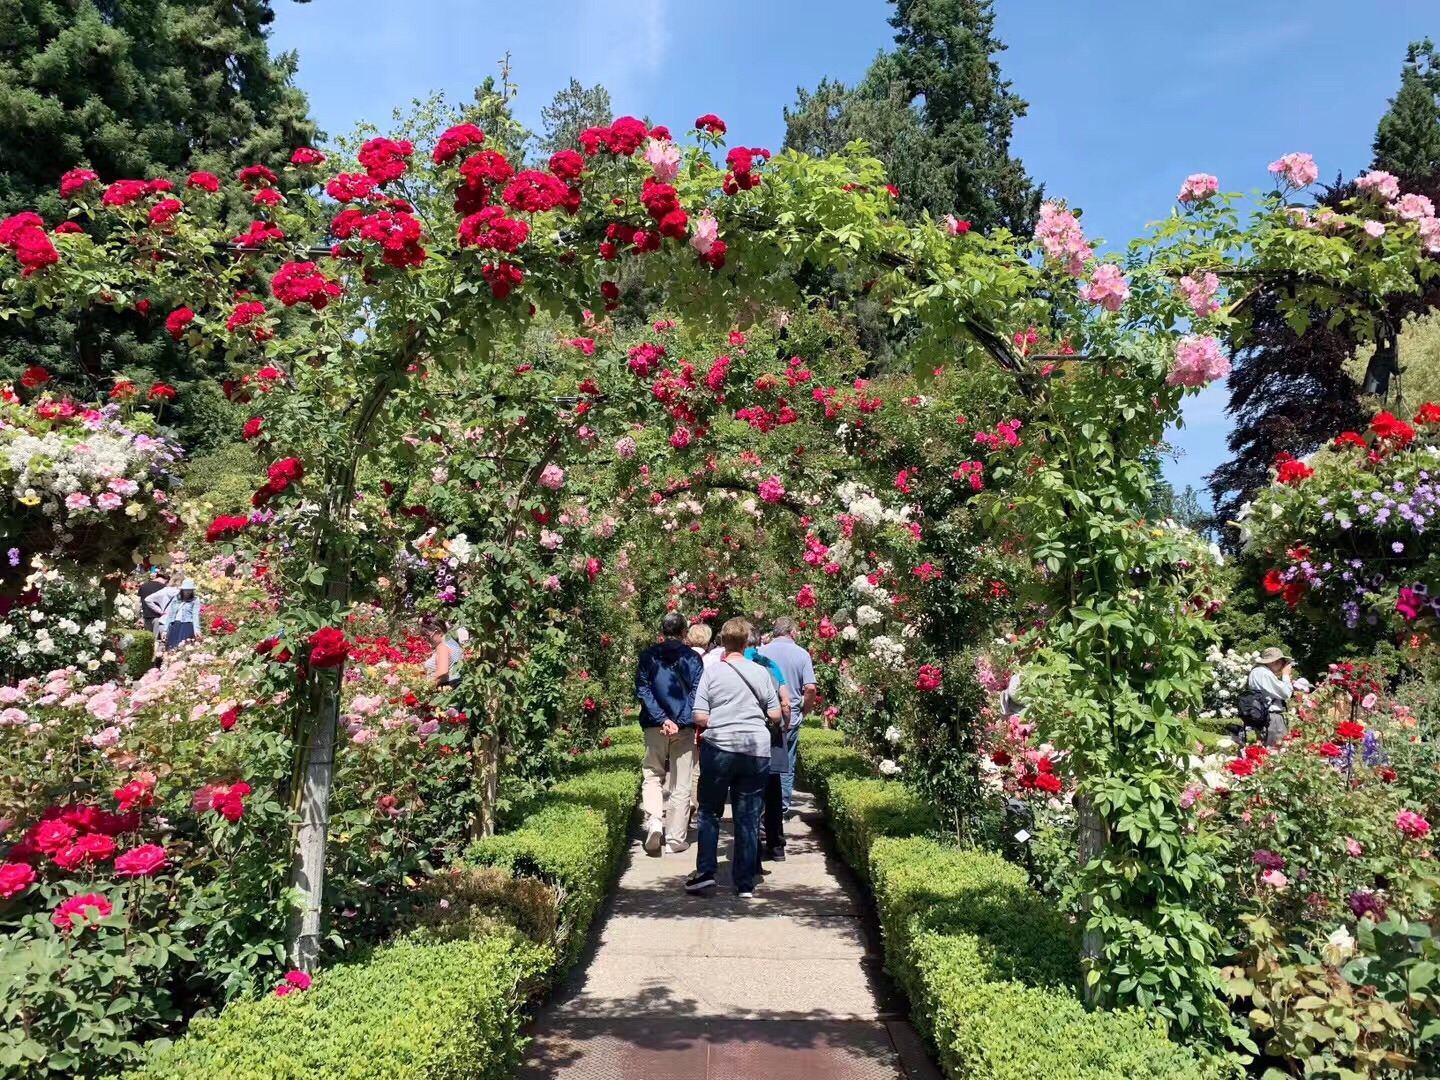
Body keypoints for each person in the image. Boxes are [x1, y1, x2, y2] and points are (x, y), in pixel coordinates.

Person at [686, 617, 780, 898]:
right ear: (747, 641)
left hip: (720, 747)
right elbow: (775, 714)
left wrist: (720, 718)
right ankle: (745, 882)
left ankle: (705, 873)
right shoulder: (762, 673)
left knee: (710, 812)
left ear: (724, 642)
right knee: (748, 816)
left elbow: (699, 715)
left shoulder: (712, 673)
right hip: (755, 750)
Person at [636, 611, 704, 856]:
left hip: (655, 726)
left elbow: (643, 690)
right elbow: (697, 694)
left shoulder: (648, 656)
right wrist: (679, 721)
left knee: (653, 774)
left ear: (662, 631)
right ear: (684, 632)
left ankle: (654, 820)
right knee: (681, 780)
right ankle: (676, 837)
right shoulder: (694, 659)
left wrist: (662, 719)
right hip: (683, 728)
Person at [759, 616, 817, 816]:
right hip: (789, 717)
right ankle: (781, 808)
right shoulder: (802, 654)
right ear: (792, 632)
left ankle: (763, 805)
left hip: (764, 716)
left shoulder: (761, 652)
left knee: (763, 760)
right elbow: (810, 687)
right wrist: (804, 710)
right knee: (786, 763)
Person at [746, 628, 791, 861]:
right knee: (773, 791)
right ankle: (776, 846)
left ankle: (750, 846)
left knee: (747, 792)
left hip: (744, 736)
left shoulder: (731, 663)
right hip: (770, 734)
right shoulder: (770, 664)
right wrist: (786, 725)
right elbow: (786, 702)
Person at [1243, 647, 1294, 747]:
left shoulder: (1256, 672)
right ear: (1276, 661)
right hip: (1272, 717)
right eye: (1282, 662)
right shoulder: (1264, 673)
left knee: (1265, 751)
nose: (1283, 666)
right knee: (1277, 750)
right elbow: (1286, 693)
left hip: (1263, 715)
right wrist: (1285, 675)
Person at [156, 578, 201, 651]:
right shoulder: (176, 599)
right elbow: (171, 615)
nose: (188, 592)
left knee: (183, 646)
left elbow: (195, 615)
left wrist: (197, 630)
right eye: (186, 590)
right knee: (172, 647)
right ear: (182, 590)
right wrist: (165, 630)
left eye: (190, 590)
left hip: (187, 625)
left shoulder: (195, 600)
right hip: (175, 624)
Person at [421, 615, 463, 688]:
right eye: (424, 636)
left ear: (439, 632)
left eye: (428, 636)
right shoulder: (451, 641)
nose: (426, 639)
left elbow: (443, 673)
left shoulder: (442, 647)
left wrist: (424, 687)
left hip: (448, 688)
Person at [137, 567, 166, 634]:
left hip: (146, 617)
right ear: (166, 579)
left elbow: (138, 603)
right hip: (159, 618)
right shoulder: (164, 588)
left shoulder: (144, 586)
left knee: (148, 640)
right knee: (157, 641)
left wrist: (138, 617)